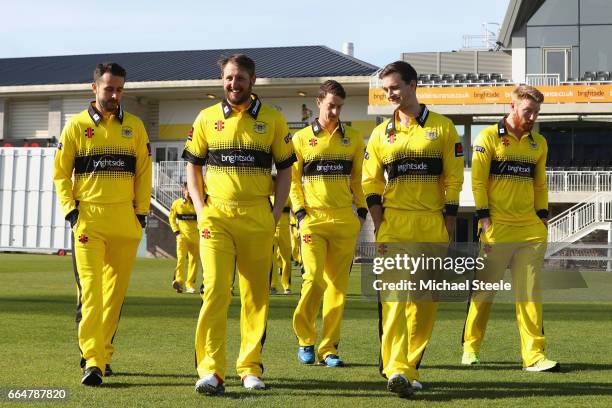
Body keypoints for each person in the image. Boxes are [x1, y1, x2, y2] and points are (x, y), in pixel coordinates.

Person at [182, 54, 295, 395]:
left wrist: (275, 214)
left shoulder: (273, 120)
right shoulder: (206, 118)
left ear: (253, 80)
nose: (234, 84)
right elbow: (193, 165)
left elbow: (287, 170)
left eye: (240, 78)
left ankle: (249, 368)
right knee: (215, 291)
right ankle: (211, 371)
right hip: (215, 216)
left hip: (257, 216)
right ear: (223, 80)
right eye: (229, 78)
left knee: (255, 297)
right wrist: (201, 208)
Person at [362, 61, 463, 397]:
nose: (390, 94)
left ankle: (410, 366)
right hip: (394, 225)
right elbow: (370, 181)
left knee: (425, 303)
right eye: (385, 89)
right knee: (394, 300)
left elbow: (453, 179)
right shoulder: (380, 134)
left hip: (432, 224)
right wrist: (379, 220)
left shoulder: (444, 128)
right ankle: (396, 369)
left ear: (412, 84)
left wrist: (447, 223)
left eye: (394, 87)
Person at [53, 62, 152, 386]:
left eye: (120, 89)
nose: (114, 95)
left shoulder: (135, 126)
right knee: (92, 294)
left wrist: (139, 215)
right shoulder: (76, 127)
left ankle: (103, 354)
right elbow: (60, 174)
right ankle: (92, 361)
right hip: (89, 223)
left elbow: (143, 174)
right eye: (109, 88)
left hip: (125, 222)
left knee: (114, 297)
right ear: (94, 88)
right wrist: (71, 211)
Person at [462, 85, 559, 372]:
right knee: (484, 292)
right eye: (528, 111)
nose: (533, 117)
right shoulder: (488, 137)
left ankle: (534, 357)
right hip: (497, 229)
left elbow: (540, 184)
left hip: (530, 230)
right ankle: (470, 348)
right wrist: (484, 218)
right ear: (513, 107)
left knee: (529, 294)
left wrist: (542, 217)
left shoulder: (538, 143)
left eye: (537, 112)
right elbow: (478, 182)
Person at [291, 80, 367, 367]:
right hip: (313, 220)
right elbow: (293, 181)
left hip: (344, 221)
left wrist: (360, 212)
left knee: (338, 286)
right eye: (330, 105)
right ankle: (305, 339)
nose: (335, 111)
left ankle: (329, 348)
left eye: (339, 106)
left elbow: (358, 180)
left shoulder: (354, 139)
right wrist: (300, 213)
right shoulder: (300, 140)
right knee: (313, 281)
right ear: (318, 102)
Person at [169, 182, 200, 294]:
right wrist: (176, 232)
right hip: (182, 237)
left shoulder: (198, 204)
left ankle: (190, 284)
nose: (190, 193)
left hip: (196, 237)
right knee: (181, 259)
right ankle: (179, 281)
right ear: (183, 190)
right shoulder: (177, 203)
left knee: (194, 261)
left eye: (192, 191)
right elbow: (171, 218)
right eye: (188, 191)